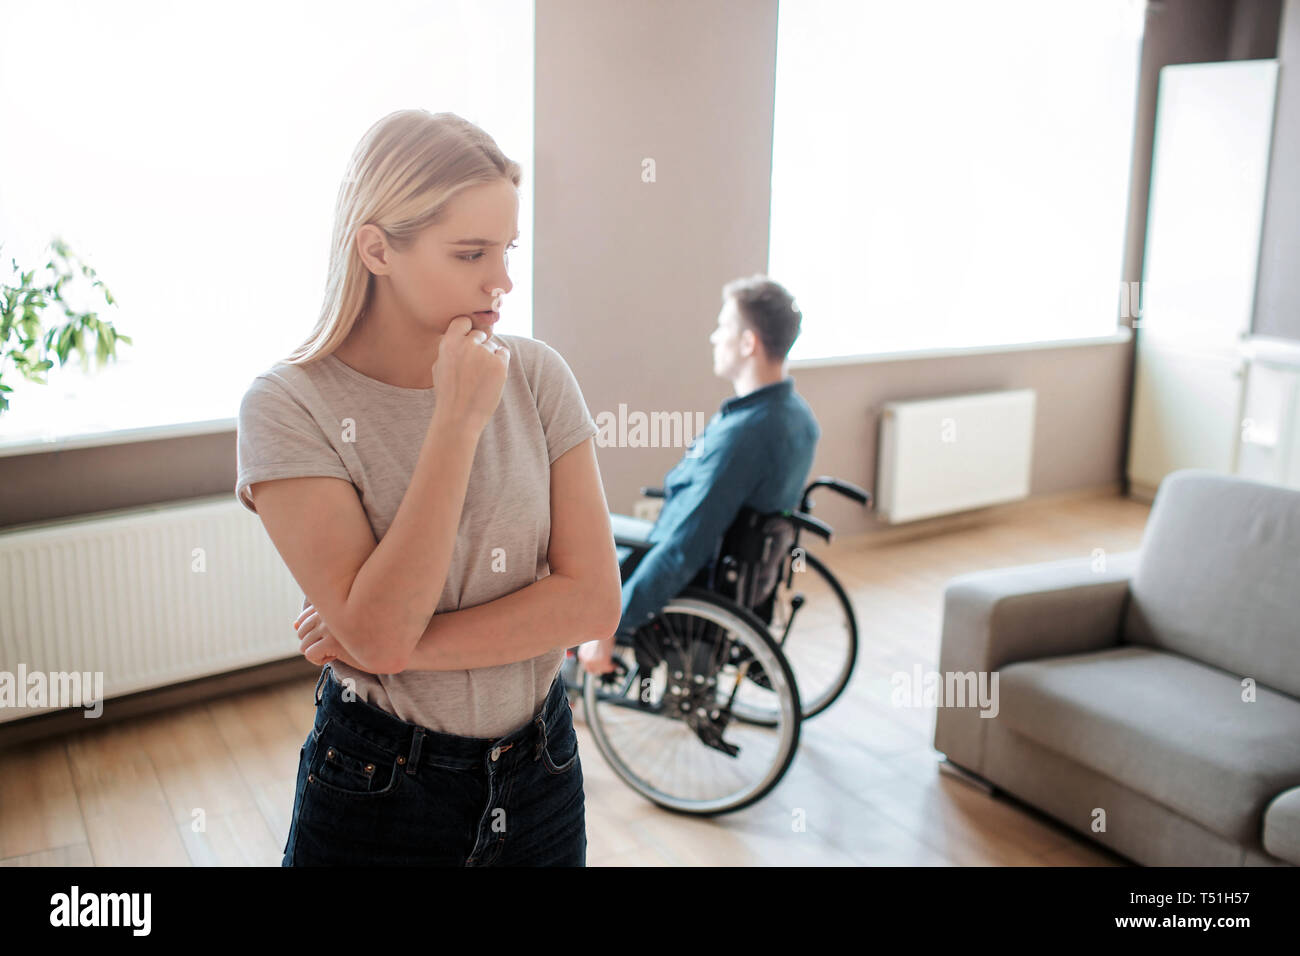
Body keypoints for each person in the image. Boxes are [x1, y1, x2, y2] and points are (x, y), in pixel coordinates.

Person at [235, 109, 621, 866]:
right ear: (377, 248)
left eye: (507, 249)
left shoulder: (538, 373)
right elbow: (379, 631)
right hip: (378, 784)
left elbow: (593, 602)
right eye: (471, 252)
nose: (503, 280)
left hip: (540, 766)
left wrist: (394, 647)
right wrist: (456, 423)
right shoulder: (287, 405)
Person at [576, 276, 820, 676]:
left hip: (692, 567)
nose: (713, 337)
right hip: (742, 567)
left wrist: (609, 630)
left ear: (748, 343)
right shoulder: (797, 416)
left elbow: (682, 549)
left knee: (574, 542)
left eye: (723, 327)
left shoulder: (744, 436)